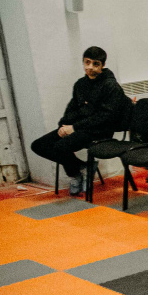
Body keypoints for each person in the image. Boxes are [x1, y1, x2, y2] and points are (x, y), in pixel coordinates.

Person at [32, 46, 125, 194]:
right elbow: (72, 108)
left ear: (102, 65)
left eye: (95, 64)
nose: (90, 67)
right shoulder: (80, 84)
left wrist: (74, 128)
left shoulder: (111, 86)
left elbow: (105, 117)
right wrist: (63, 125)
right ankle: (82, 168)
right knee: (39, 145)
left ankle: (74, 174)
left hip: (100, 130)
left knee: (61, 147)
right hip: (80, 127)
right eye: (87, 62)